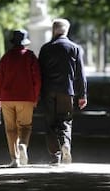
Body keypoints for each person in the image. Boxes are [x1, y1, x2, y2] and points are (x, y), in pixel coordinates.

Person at [38, 18, 88, 165]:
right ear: (66, 30)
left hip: (48, 90)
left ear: (54, 30)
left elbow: (39, 72)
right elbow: (80, 73)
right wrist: (82, 94)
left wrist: (37, 92)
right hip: (67, 90)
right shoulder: (74, 48)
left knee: (50, 122)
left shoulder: (46, 48)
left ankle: (55, 155)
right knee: (65, 120)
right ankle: (65, 143)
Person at [0, 29, 41, 168]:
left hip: (7, 98)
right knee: (25, 126)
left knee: (10, 129)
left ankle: (15, 159)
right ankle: (22, 145)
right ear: (25, 43)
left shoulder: (6, 57)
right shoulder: (30, 57)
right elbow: (37, 79)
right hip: (26, 98)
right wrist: (35, 97)